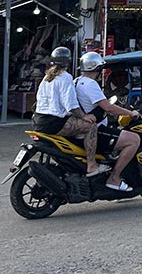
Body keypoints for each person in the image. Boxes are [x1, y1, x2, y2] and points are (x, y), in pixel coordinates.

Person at [31, 46, 107, 178]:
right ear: (69, 62)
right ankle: (92, 165)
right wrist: (84, 116)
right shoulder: (65, 77)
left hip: (38, 121)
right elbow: (70, 105)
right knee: (91, 126)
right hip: (54, 122)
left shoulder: (47, 78)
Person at [74, 51, 141, 193]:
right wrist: (131, 113)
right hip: (96, 132)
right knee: (134, 139)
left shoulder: (77, 81)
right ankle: (114, 178)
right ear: (97, 69)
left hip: (81, 129)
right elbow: (109, 107)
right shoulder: (90, 84)